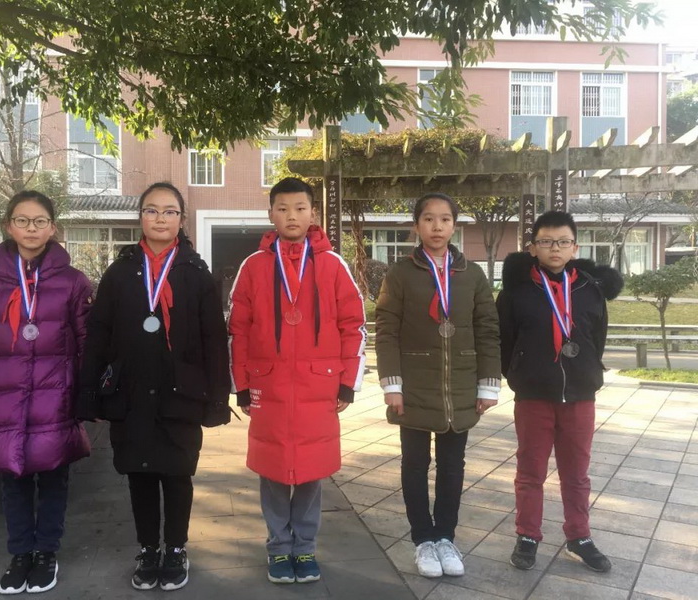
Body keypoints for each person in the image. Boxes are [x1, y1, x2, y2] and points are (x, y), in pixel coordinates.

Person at [77, 182, 230, 592]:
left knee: (178, 474)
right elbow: (98, 334)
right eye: (151, 210)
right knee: (139, 475)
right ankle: (147, 549)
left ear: (181, 219)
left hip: (182, 393)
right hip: (129, 394)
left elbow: (215, 340)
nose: (160, 218)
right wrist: (89, 392)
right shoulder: (120, 272)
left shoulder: (196, 274)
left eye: (169, 211)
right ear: (140, 217)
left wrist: (218, 398)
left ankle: (176, 548)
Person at [228, 177, 366, 584]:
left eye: (300, 208)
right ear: (271, 213)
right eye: (283, 208)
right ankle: (277, 547)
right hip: (267, 386)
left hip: (318, 387)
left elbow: (353, 325)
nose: (292, 216)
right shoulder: (253, 266)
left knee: (310, 471)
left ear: (313, 213)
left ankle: (304, 547)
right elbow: (238, 329)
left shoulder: (333, 264)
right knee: (273, 472)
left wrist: (348, 382)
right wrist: (240, 384)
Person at [0, 190, 92, 595]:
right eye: (22, 220)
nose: (31, 228)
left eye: (40, 221)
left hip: (55, 396)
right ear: (8, 226)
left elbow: (87, 345)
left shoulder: (73, 282)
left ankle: (46, 552)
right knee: (12, 479)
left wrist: (86, 397)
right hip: (3, 395)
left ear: (53, 228)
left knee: (53, 477)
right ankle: (19, 554)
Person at [375, 192, 501, 579]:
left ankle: (445, 536)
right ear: (416, 225)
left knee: (452, 466)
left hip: (460, 385)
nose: (437, 226)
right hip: (413, 385)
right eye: (428, 219)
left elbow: (487, 329)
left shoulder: (472, 274)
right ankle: (423, 540)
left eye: (445, 219)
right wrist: (392, 384)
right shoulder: (400, 274)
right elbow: (386, 331)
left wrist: (488, 384)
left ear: (454, 226)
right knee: (414, 465)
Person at [497, 210, 622, 573]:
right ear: (533, 248)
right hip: (533, 396)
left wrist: (586, 371)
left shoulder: (589, 290)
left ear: (574, 247)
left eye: (563, 241)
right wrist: (520, 375)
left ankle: (579, 536)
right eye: (547, 241)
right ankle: (527, 535)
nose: (555, 248)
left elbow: (597, 338)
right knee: (530, 471)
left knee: (577, 473)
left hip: (580, 396)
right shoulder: (517, 292)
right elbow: (505, 341)